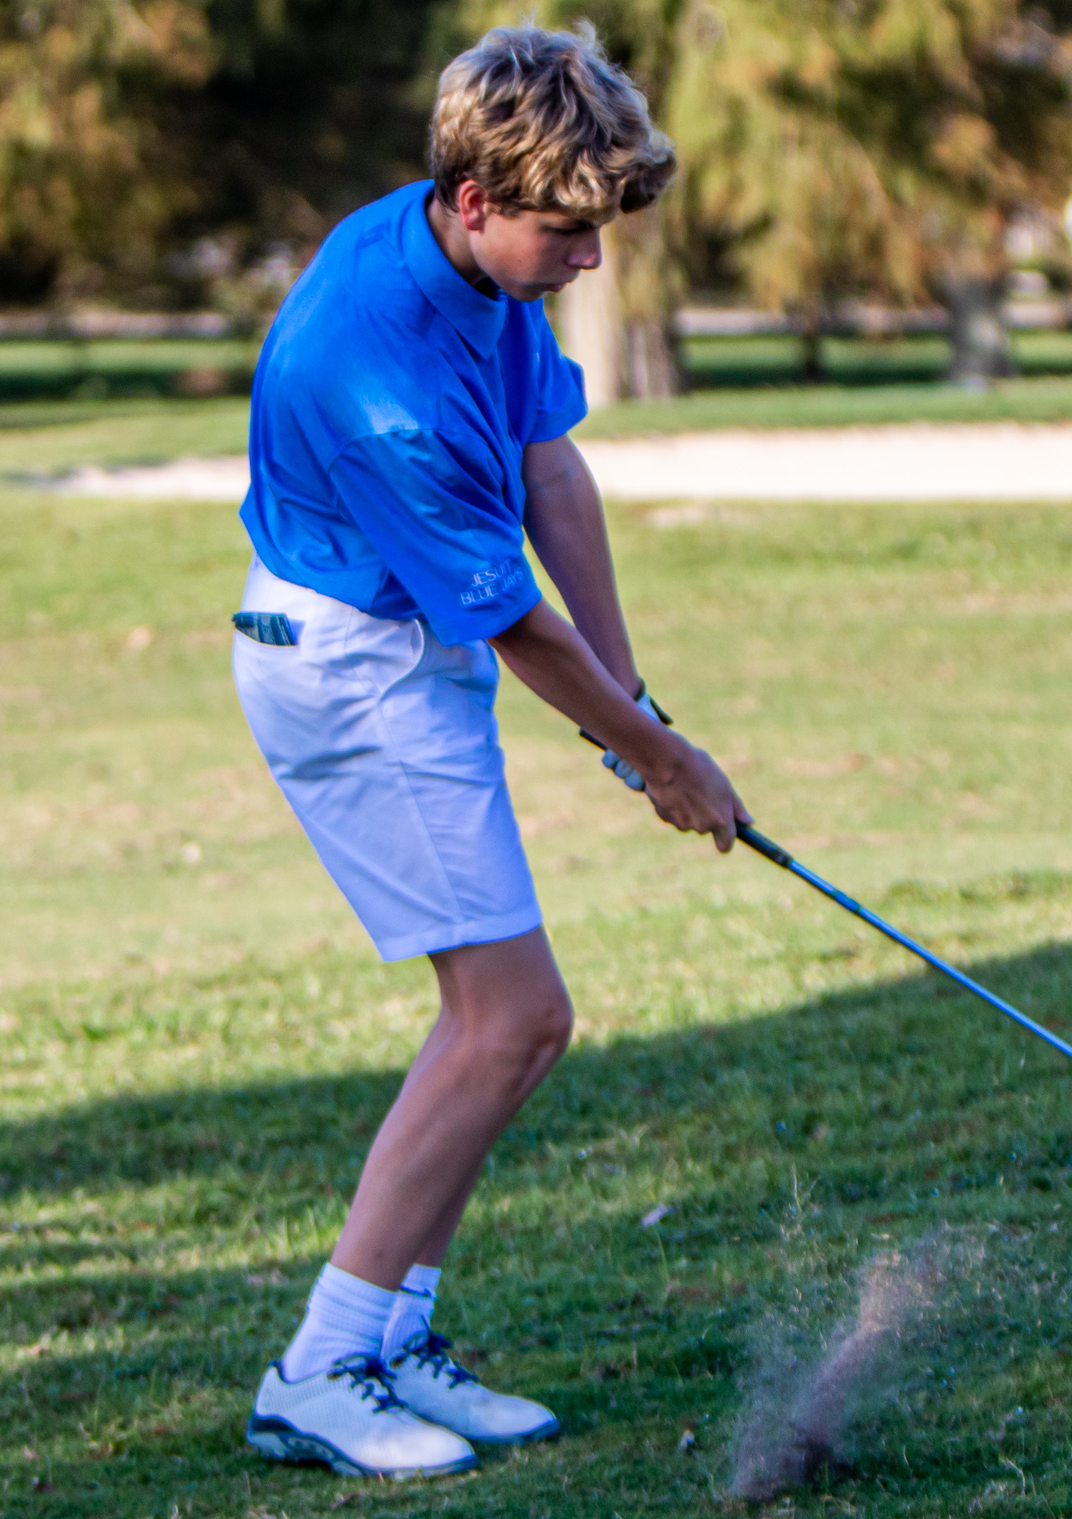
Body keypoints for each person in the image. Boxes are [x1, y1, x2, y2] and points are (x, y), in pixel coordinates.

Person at [229, 24, 749, 1479]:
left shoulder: (477, 264)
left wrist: (635, 696)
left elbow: (548, 467)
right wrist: (660, 760)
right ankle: (320, 1370)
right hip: (351, 671)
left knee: (502, 1020)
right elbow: (513, 620)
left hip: (408, 646)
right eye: (567, 232)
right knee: (511, 1021)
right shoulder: (374, 364)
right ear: (474, 199)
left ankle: (393, 1340)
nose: (588, 258)